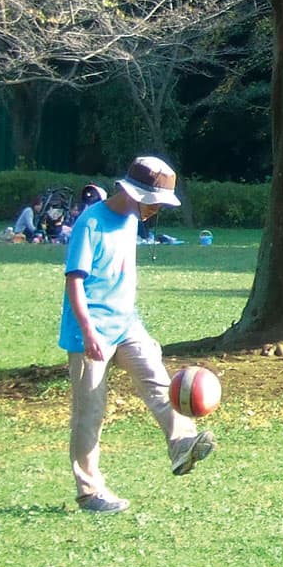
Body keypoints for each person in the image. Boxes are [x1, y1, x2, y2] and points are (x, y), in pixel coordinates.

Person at [62, 156, 216, 514]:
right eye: (156, 202)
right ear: (134, 193)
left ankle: (182, 446)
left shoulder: (133, 218)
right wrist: (88, 332)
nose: (157, 210)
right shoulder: (91, 223)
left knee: (161, 384)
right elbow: (75, 282)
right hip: (91, 332)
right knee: (90, 413)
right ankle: (89, 491)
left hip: (127, 324)